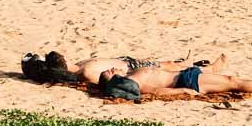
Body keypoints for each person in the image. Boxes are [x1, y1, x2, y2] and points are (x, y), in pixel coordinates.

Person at [100, 61, 252, 101]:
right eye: (108, 73)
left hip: (186, 73)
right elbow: (157, 92)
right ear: (111, 81)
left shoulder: (131, 74)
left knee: (231, 85)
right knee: (232, 81)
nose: (110, 69)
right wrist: (185, 91)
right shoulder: (134, 81)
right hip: (187, 81)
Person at [21, 50, 225, 86]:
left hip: (128, 62)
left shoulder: (79, 66)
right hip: (131, 68)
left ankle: (197, 66)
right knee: (172, 69)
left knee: (172, 65)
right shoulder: (85, 72)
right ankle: (210, 70)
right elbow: (109, 77)